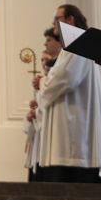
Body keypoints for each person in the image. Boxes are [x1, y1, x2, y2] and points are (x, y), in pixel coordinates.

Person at [35, 4, 101, 182]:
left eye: (56, 20)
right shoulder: (73, 44)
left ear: (70, 20)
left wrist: (43, 82)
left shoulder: (79, 42)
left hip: (73, 135)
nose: (54, 26)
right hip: (69, 130)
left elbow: (66, 78)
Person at [25, 28, 62, 180]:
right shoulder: (42, 82)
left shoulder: (49, 80)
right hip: (39, 139)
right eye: (41, 60)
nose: (44, 64)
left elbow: (51, 108)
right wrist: (32, 114)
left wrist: (37, 111)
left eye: (46, 60)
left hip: (55, 140)